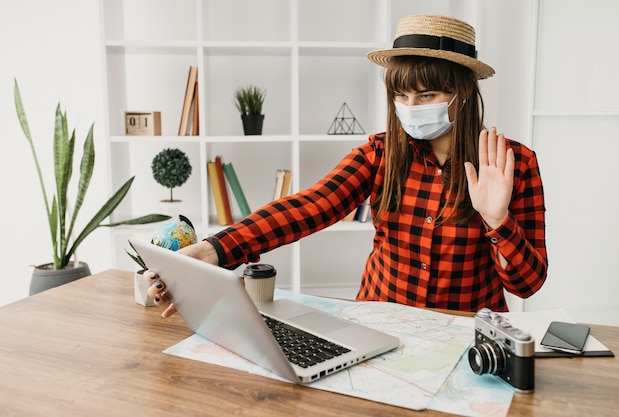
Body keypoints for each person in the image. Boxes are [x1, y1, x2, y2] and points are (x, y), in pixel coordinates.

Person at [146, 14, 548, 318]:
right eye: (401, 96)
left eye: (426, 95)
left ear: (461, 93)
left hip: (467, 333)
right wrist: (213, 251)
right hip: (380, 323)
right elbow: (309, 207)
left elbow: (528, 285)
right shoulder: (380, 153)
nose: (410, 108)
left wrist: (497, 221)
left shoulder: (516, 164)